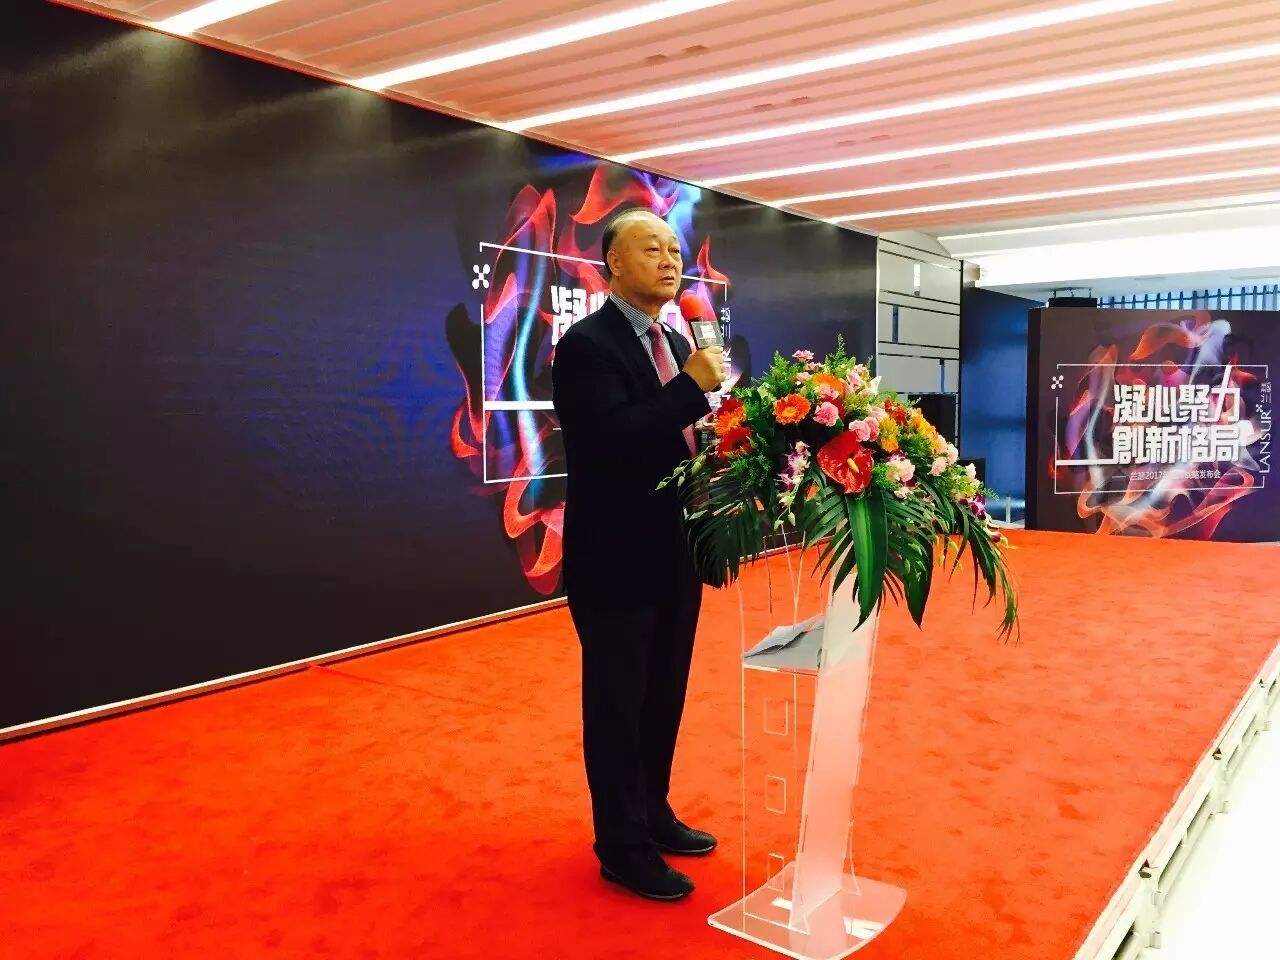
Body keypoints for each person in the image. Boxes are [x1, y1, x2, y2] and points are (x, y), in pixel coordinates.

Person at [551, 209, 726, 901]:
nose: (668, 260)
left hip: (676, 550)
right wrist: (689, 388)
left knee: (663, 696)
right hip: (616, 556)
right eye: (651, 248)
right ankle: (621, 847)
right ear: (614, 264)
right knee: (618, 705)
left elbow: (677, 435)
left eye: (674, 249)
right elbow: (610, 440)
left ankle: (652, 812)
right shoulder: (586, 345)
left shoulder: (677, 339)